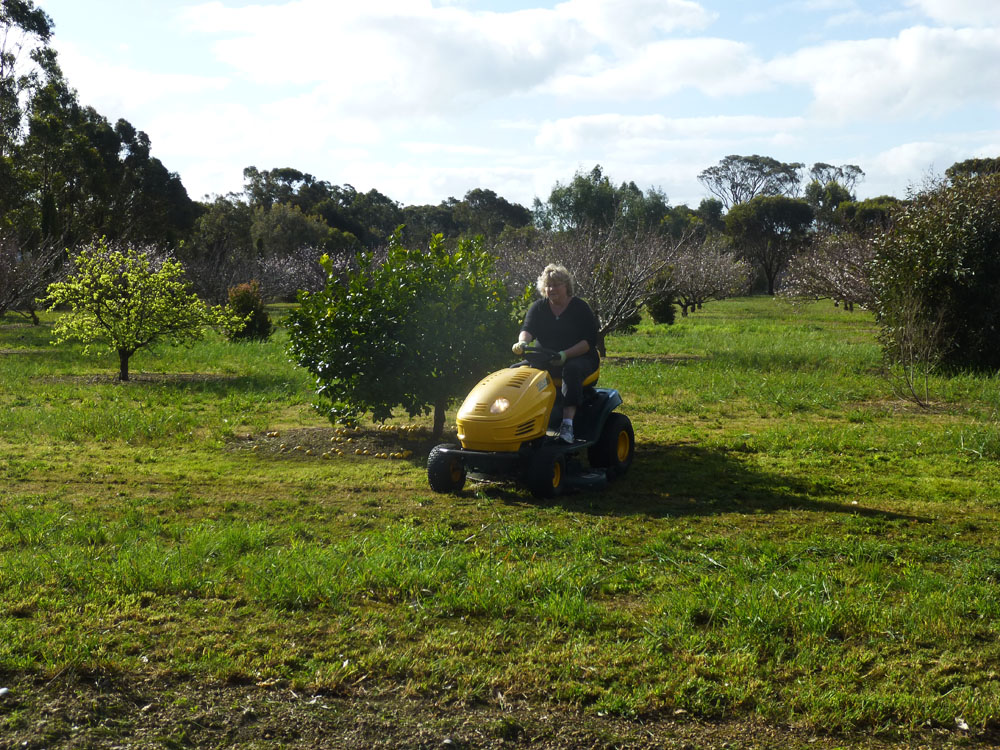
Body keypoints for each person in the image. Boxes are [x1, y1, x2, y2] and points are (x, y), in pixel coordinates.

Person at [512, 263, 600, 443]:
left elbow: (588, 342)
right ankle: (517, 419)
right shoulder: (538, 307)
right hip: (545, 358)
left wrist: (565, 355)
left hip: (579, 357)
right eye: (548, 285)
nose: (551, 289)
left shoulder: (580, 308)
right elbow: (527, 328)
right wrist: (522, 342)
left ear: (566, 286)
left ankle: (567, 425)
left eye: (555, 285)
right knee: (515, 372)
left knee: (571, 370)